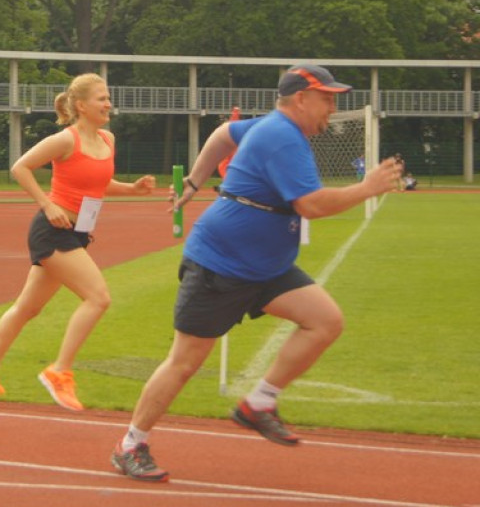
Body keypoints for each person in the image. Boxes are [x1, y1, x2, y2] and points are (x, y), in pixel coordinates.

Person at [110, 64, 403, 483]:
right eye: (327, 99)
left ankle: (259, 403)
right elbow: (311, 205)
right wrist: (367, 188)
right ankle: (130, 445)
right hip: (221, 263)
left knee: (324, 321)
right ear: (300, 98)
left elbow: (222, 135)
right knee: (184, 362)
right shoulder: (282, 137)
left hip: (266, 266)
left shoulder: (273, 127)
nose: (333, 108)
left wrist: (194, 181)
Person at [0, 73, 157, 413]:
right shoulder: (65, 140)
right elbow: (20, 167)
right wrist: (47, 204)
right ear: (81, 105)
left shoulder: (108, 139)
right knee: (98, 298)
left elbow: (97, 183)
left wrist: (132, 189)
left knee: (28, 308)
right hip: (53, 231)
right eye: (101, 98)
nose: (108, 104)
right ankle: (59, 372)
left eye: (108, 97)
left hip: (77, 232)